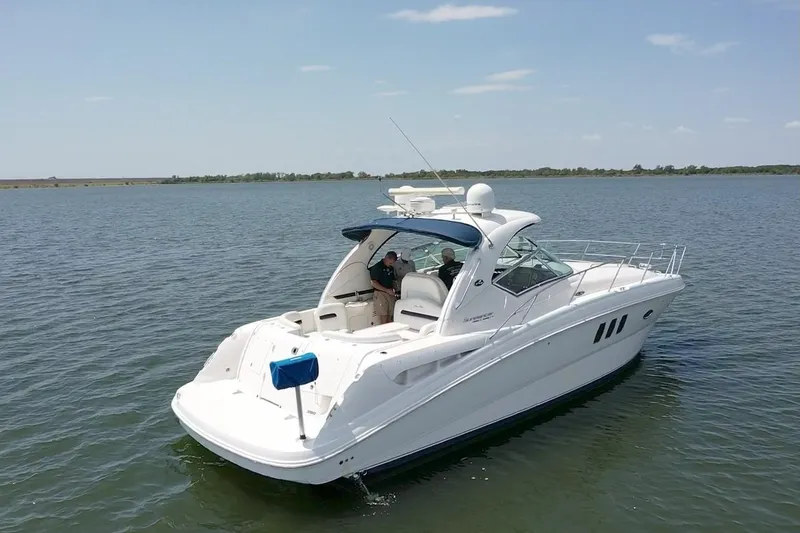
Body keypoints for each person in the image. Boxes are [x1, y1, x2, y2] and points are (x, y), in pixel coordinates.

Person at [370, 251, 397, 324]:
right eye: (390, 263)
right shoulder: (377, 267)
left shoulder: (391, 268)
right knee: (384, 316)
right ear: (386, 258)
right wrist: (386, 290)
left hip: (390, 293)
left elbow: (392, 280)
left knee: (390, 315)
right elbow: (373, 283)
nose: (391, 265)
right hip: (380, 293)